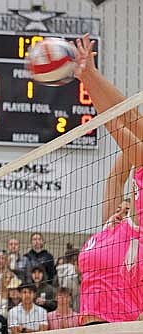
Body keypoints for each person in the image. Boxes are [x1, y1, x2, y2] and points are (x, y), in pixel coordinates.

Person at [72, 33, 143, 324]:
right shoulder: (107, 230)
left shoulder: (135, 231)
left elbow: (124, 119)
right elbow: (122, 118)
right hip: (87, 324)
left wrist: (91, 80)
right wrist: (88, 77)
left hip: (122, 324)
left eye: (130, 204)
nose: (124, 207)